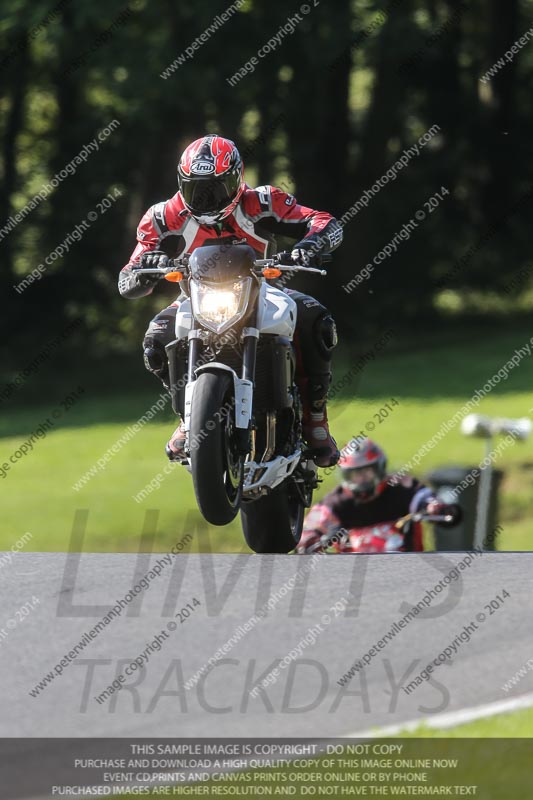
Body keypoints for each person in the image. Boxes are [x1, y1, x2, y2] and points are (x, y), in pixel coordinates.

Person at [118, 134, 343, 467]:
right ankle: (187, 416)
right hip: (195, 300)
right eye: (197, 189)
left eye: (216, 188)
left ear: (236, 179)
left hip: (263, 292)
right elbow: (128, 275)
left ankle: (315, 417)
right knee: (155, 337)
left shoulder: (262, 201)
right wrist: (145, 268)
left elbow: (324, 222)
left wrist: (309, 245)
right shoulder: (163, 216)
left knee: (316, 318)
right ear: (181, 183)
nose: (207, 198)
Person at [296, 437, 459, 553]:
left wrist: (435, 508)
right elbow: (307, 533)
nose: (361, 479)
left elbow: (425, 499)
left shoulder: (403, 486)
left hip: (410, 568)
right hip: (350, 576)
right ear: (345, 476)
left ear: (379, 469)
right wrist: (316, 540)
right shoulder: (335, 502)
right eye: (355, 475)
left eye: (366, 472)